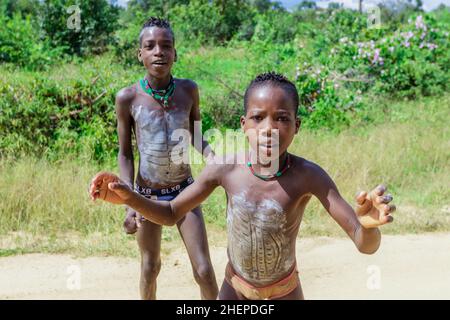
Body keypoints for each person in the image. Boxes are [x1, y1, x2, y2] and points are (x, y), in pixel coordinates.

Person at [91, 72, 396, 300]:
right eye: (258, 118)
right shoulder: (225, 169)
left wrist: (368, 227)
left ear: (297, 125)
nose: (269, 129)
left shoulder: (309, 176)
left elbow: (363, 243)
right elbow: (171, 212)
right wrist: (129, 197)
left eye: (282, 118)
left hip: (285, 292)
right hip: (234, 292)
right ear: (243, 125)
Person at [114, 17, 218, 300]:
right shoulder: (128, 98)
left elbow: (196, 134)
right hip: (147, 194)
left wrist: (212, 157)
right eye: (150, 46)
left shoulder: (188, 90)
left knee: (204, 270)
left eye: (166, 45)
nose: (158, 51)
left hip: (185, 191)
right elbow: (125, 153)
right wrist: (129, 203)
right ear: (140, 54)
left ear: (175, 53)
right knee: (150, 267)